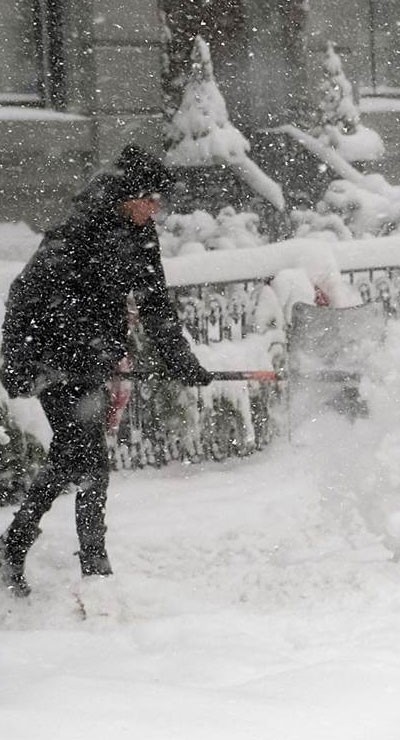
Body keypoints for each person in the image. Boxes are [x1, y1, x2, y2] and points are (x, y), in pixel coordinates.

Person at [0, 145, 212, 597]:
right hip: (53, 360)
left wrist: (184, 362)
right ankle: (94, 569)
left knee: (70, 458)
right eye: (152, 200)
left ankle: (15, 544)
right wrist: (15, 361)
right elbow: (23, 295)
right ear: (129, 195)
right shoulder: (78, 231)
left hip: (92, 362)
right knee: (91, 460)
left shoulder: (142, 237)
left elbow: (155, 306)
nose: (157, 209)